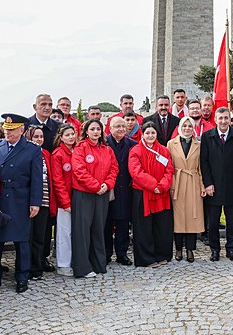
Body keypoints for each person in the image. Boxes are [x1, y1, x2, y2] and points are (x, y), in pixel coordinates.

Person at [0, 114, 43, 294]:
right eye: (6, 129)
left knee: (22, 241)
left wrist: (35, 202)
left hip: (20, 198)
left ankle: (22, 276)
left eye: (12, 129)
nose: (7, 132)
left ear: (22, 130)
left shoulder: (32, 149)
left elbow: (37, 179)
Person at [70, 119, 118, 278]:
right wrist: (96, 186)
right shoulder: (80, 147)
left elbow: (114, 169)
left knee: (98, 228)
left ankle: (98, 264)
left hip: (102, 194)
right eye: (92, 129)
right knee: (82, 231)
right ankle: (82, 267)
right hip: (84, 194)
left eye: (98, 129)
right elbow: (79, 170)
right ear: (86, 131)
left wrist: (107, 184)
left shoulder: (107, 149)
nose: (96, 132)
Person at [200, 107, 233, 262]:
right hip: (213, 186)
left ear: (230, 120)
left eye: (226, 118)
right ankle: (214, 250)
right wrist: (207, 183)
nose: (223, 121)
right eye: (220, 118)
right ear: (215, 120)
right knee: (213, 222)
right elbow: (204, 162)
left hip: (232, 186)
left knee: (232, 221)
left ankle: (231, 249)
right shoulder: (207, 137)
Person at [128, 122, 174, 267]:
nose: (150, 136)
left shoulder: (164, 150)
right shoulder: (135, 151)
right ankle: (146, 258)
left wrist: (162, 185)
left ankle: (162, 254)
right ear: (142, 134)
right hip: (143, 193)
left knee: (162, 226)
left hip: (162, 193)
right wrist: (153, 185)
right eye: (147, 133)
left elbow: (169, 170)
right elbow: (136, 172)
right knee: (144, 228)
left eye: (153, 133)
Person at [167, 116, 203, 263]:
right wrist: (172, 185)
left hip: (193, 182)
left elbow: (201, 167)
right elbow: (169, 166)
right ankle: (178, 248)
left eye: (190, 126)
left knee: (192, 216)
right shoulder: (171, 144)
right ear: (180, 127)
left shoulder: (199, 144)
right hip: (178, 182)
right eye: (184, 126)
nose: (187, 128)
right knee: (179, 217)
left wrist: (202, 186)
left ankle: (190, 249)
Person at [25, 125, 56, 280]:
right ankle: (26, 267)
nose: (39, 139)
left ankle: (37, 267)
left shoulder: (46, 153)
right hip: (28, 201)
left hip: (44, 200)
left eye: (41, 136)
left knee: (40, 236)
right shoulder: (25, 153)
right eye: (35, 136)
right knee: (27, 236)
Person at [105, 116, 137, 266]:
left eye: (123, 126)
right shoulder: (104, 143)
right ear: (110, 128)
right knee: (106, 222)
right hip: (108, 188)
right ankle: (106, 253)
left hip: (125, 188)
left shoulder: (132, 145)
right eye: (117, 126)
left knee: (123, 222)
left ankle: (122, 253)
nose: (121, 129)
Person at [50, 123, 77, 276]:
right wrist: (65, 202)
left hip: (78, 198)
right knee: (64, 233)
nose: (71, 137)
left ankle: (75, 260)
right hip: (64, 201)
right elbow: (58, 181)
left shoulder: (77, 150)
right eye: (67, 135)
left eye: (72, 134)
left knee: (76, 231)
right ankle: (63, 264)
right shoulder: (58, 154)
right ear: (61, 137)